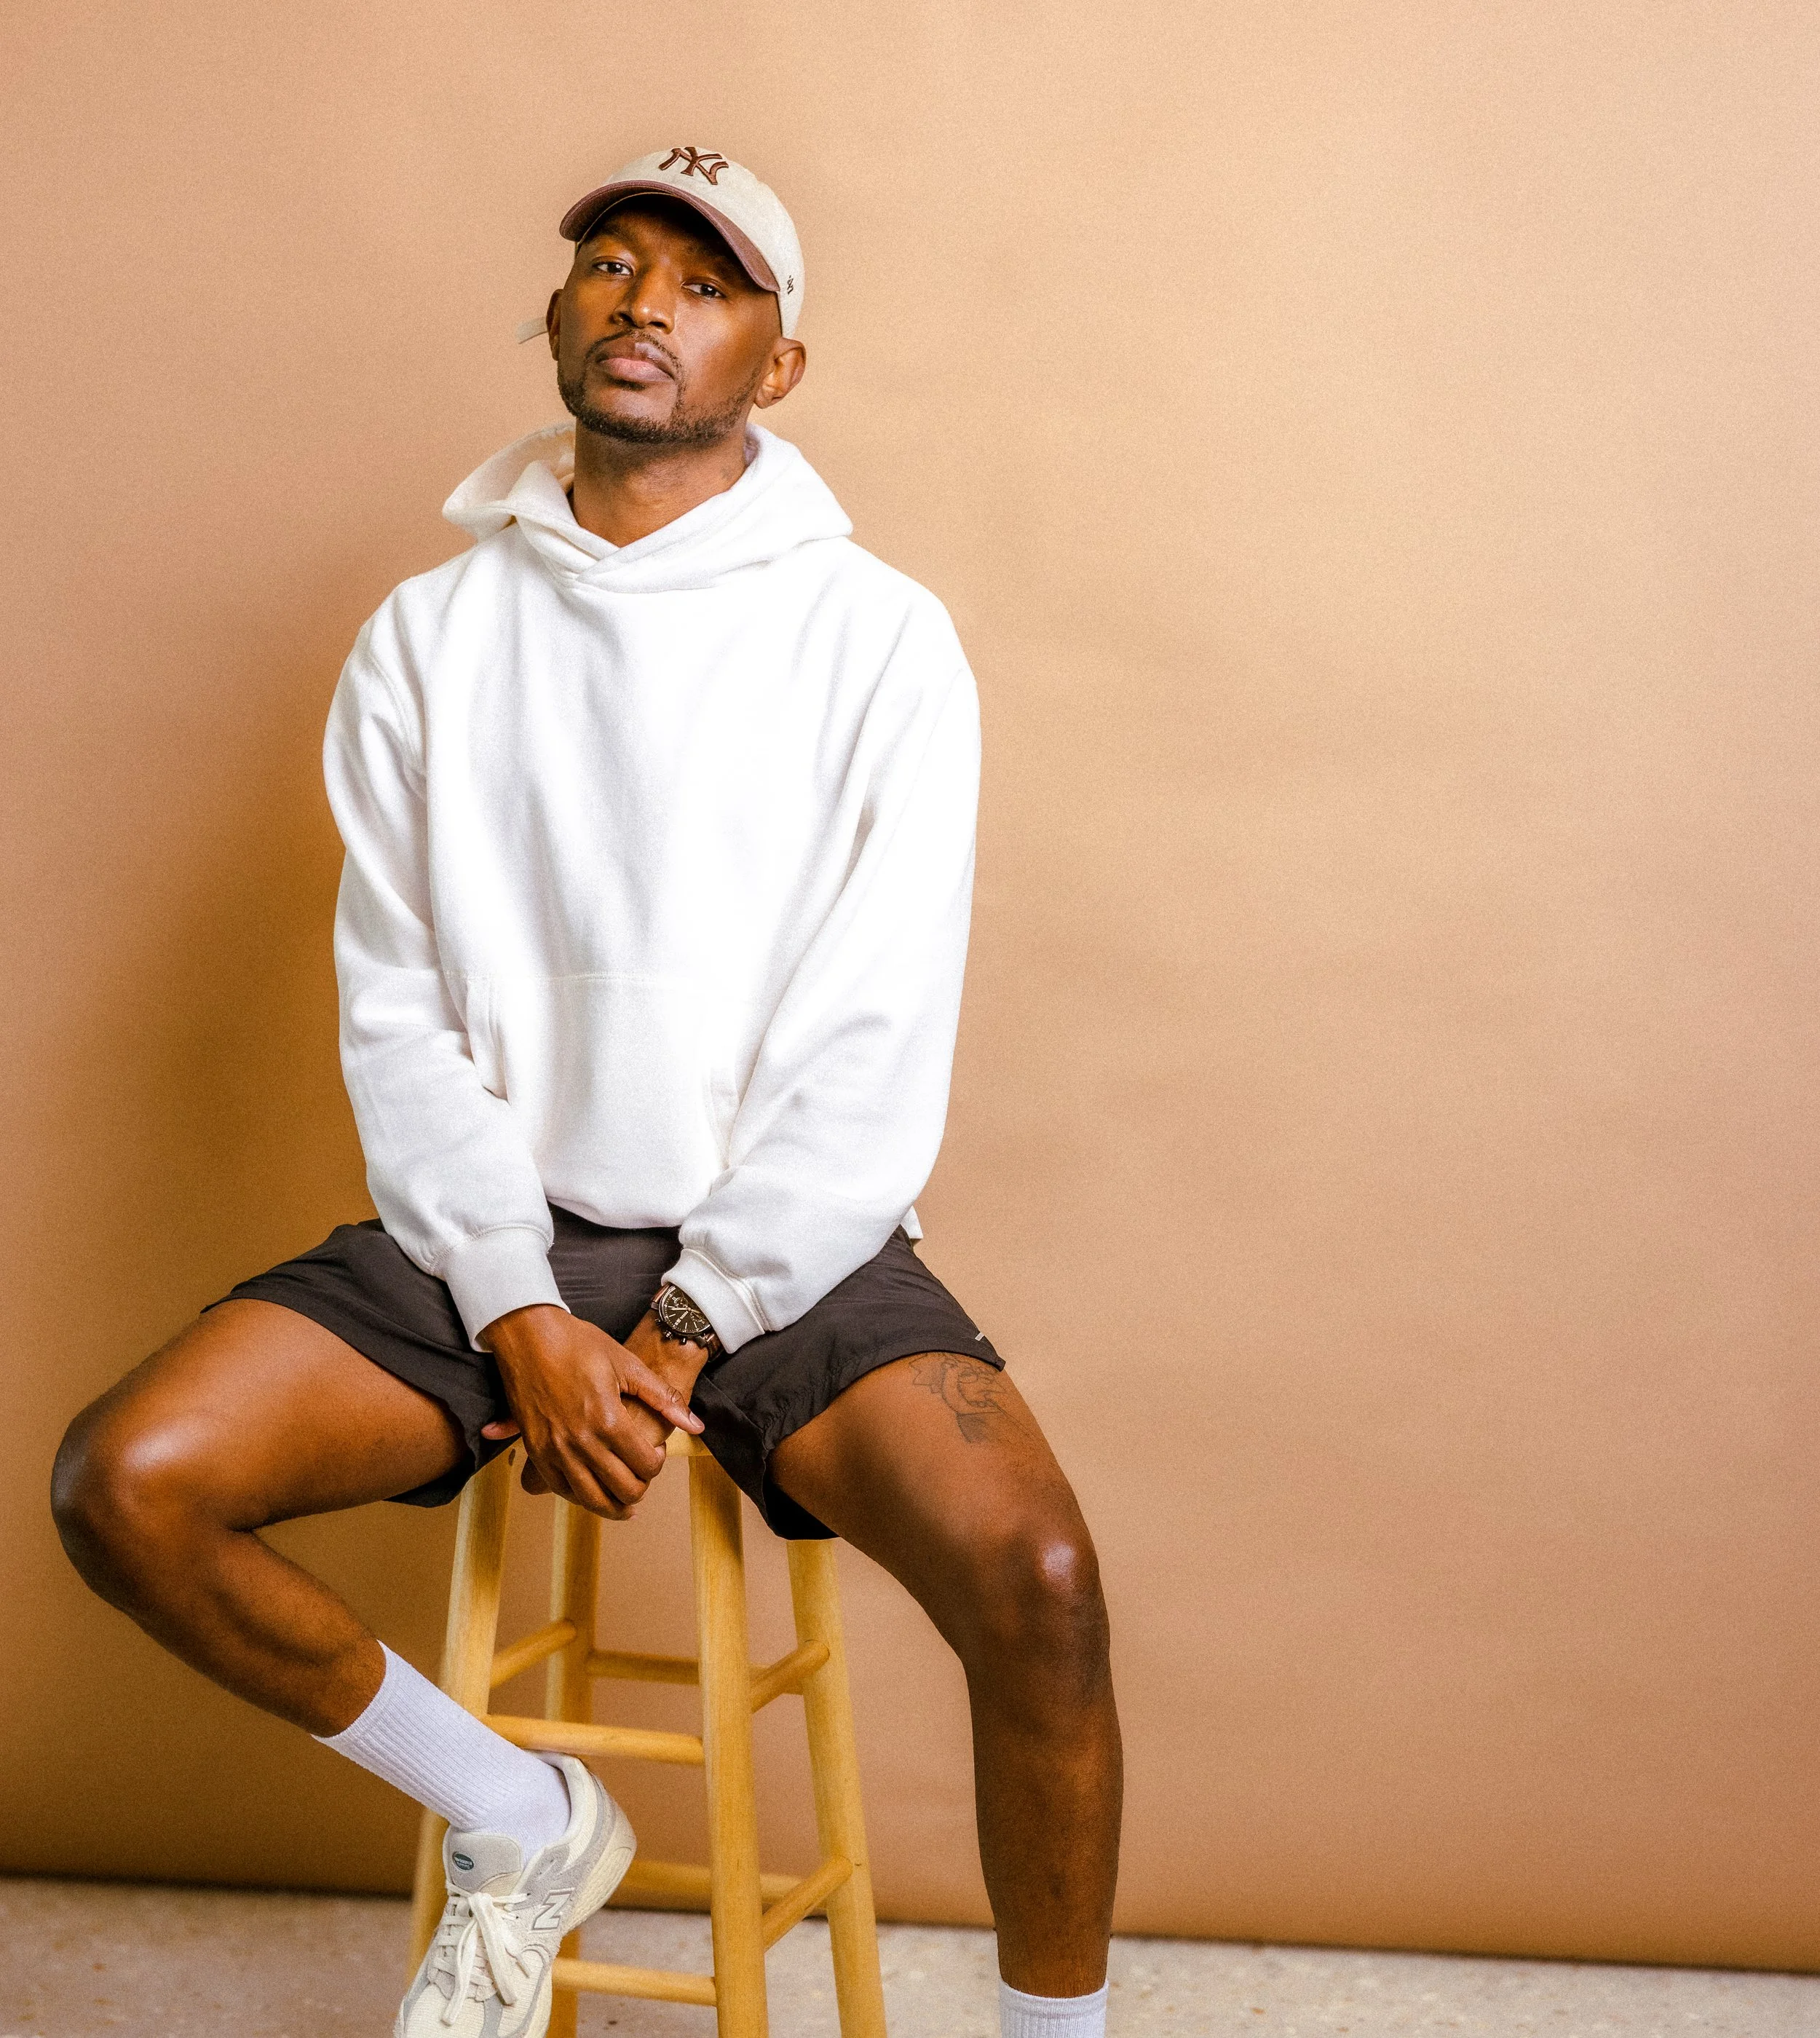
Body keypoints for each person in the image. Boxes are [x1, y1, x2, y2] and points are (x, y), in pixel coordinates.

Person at [52, 146, 1121, 2038]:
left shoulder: (876, 636)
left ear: (779, 364)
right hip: (503, 1229)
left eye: (705, 285)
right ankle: (524, 1816)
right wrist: (516, 1304)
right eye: (613, 264)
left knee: (1037, 1577)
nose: (646, 304)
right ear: (556, 314)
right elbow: (400, 1014)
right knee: (126, 1483)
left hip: (786, 1247)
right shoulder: (427, 637)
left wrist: (694, 1318)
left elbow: (872, 1034)